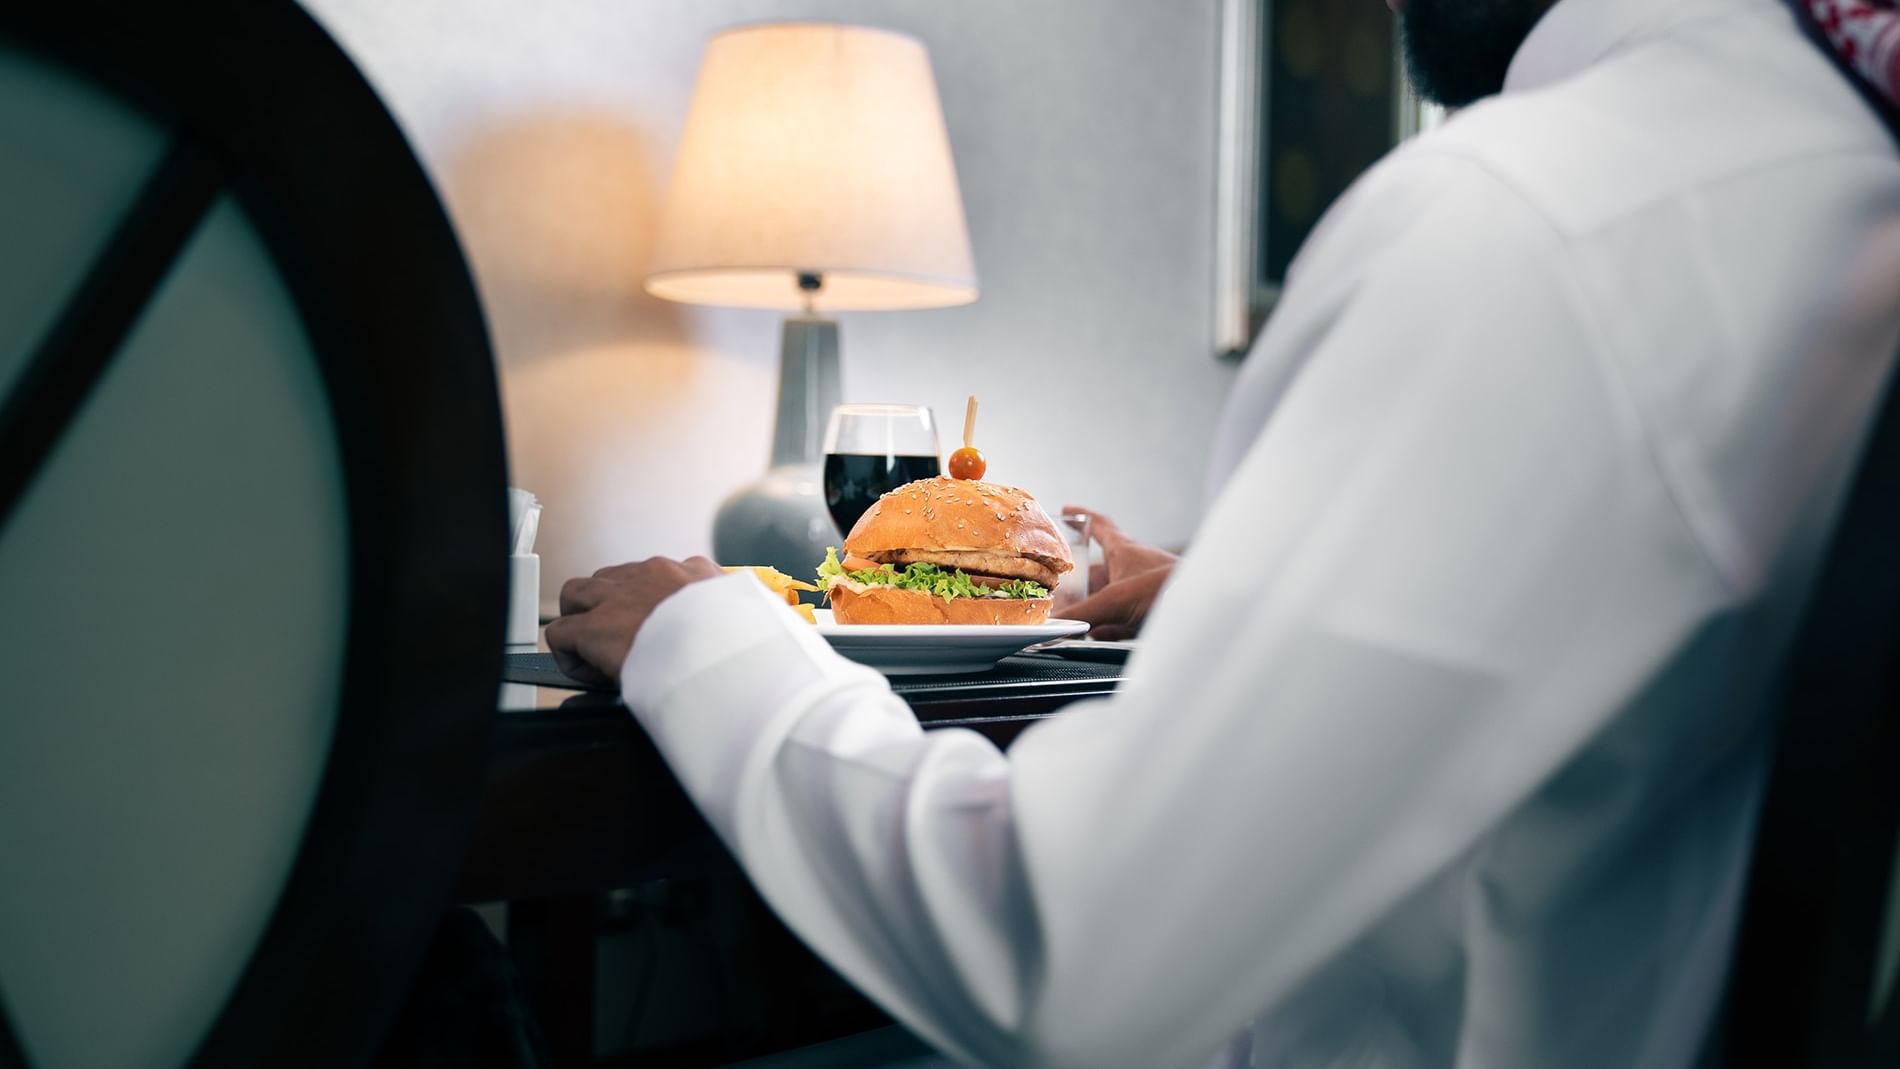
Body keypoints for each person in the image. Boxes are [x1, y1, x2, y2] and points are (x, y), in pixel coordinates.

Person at [548, 0, 1900, 1063]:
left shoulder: (1536, 222)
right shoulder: (1825, 174)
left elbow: (1069, 952)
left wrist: (709, 634)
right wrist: (1221, 602)